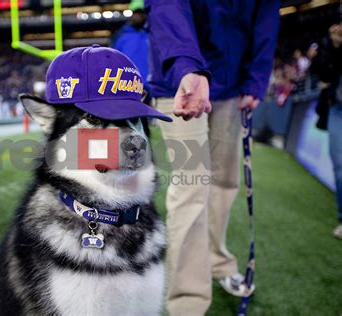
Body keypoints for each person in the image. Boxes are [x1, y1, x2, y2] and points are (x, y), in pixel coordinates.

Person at [146, 0, 280, 314]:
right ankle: (187, 302)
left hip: (232, 84)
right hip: (179, 82)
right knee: (192, 186)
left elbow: (266, 16)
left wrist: (257, 78)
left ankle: (217, 262)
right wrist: (187, 68)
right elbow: (167, 6)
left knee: (223, 182)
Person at [312, 23, 342, 239]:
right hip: (337, 107)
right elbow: (320, 71)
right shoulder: (332, 42)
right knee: (340, 164)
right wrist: (334, 45)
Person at [112, 0, 149, 91]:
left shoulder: (154, 34)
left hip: (153, 88)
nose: (138, 15)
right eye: (136, 12)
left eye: (141, 12)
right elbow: (113, 61)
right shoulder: (120, 36)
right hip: (129, 87)